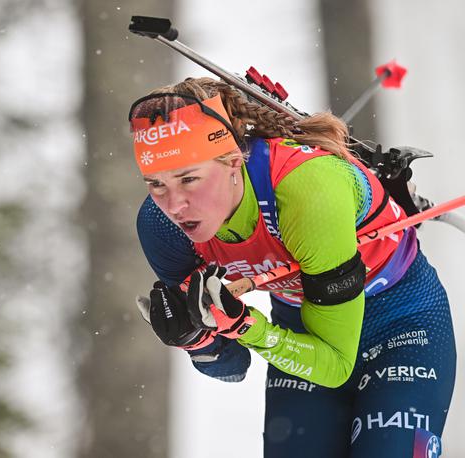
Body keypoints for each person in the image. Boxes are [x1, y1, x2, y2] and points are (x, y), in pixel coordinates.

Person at [129, 77, 456, 457]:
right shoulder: (161, 227)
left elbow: (335, 365)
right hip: (303, 326)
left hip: (402, 324)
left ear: (234, 161)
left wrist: (244, 326)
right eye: (156, 184)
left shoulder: (307, 193)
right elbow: (232, 368)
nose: (174, 205)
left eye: (189, 179)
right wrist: (197, 340)